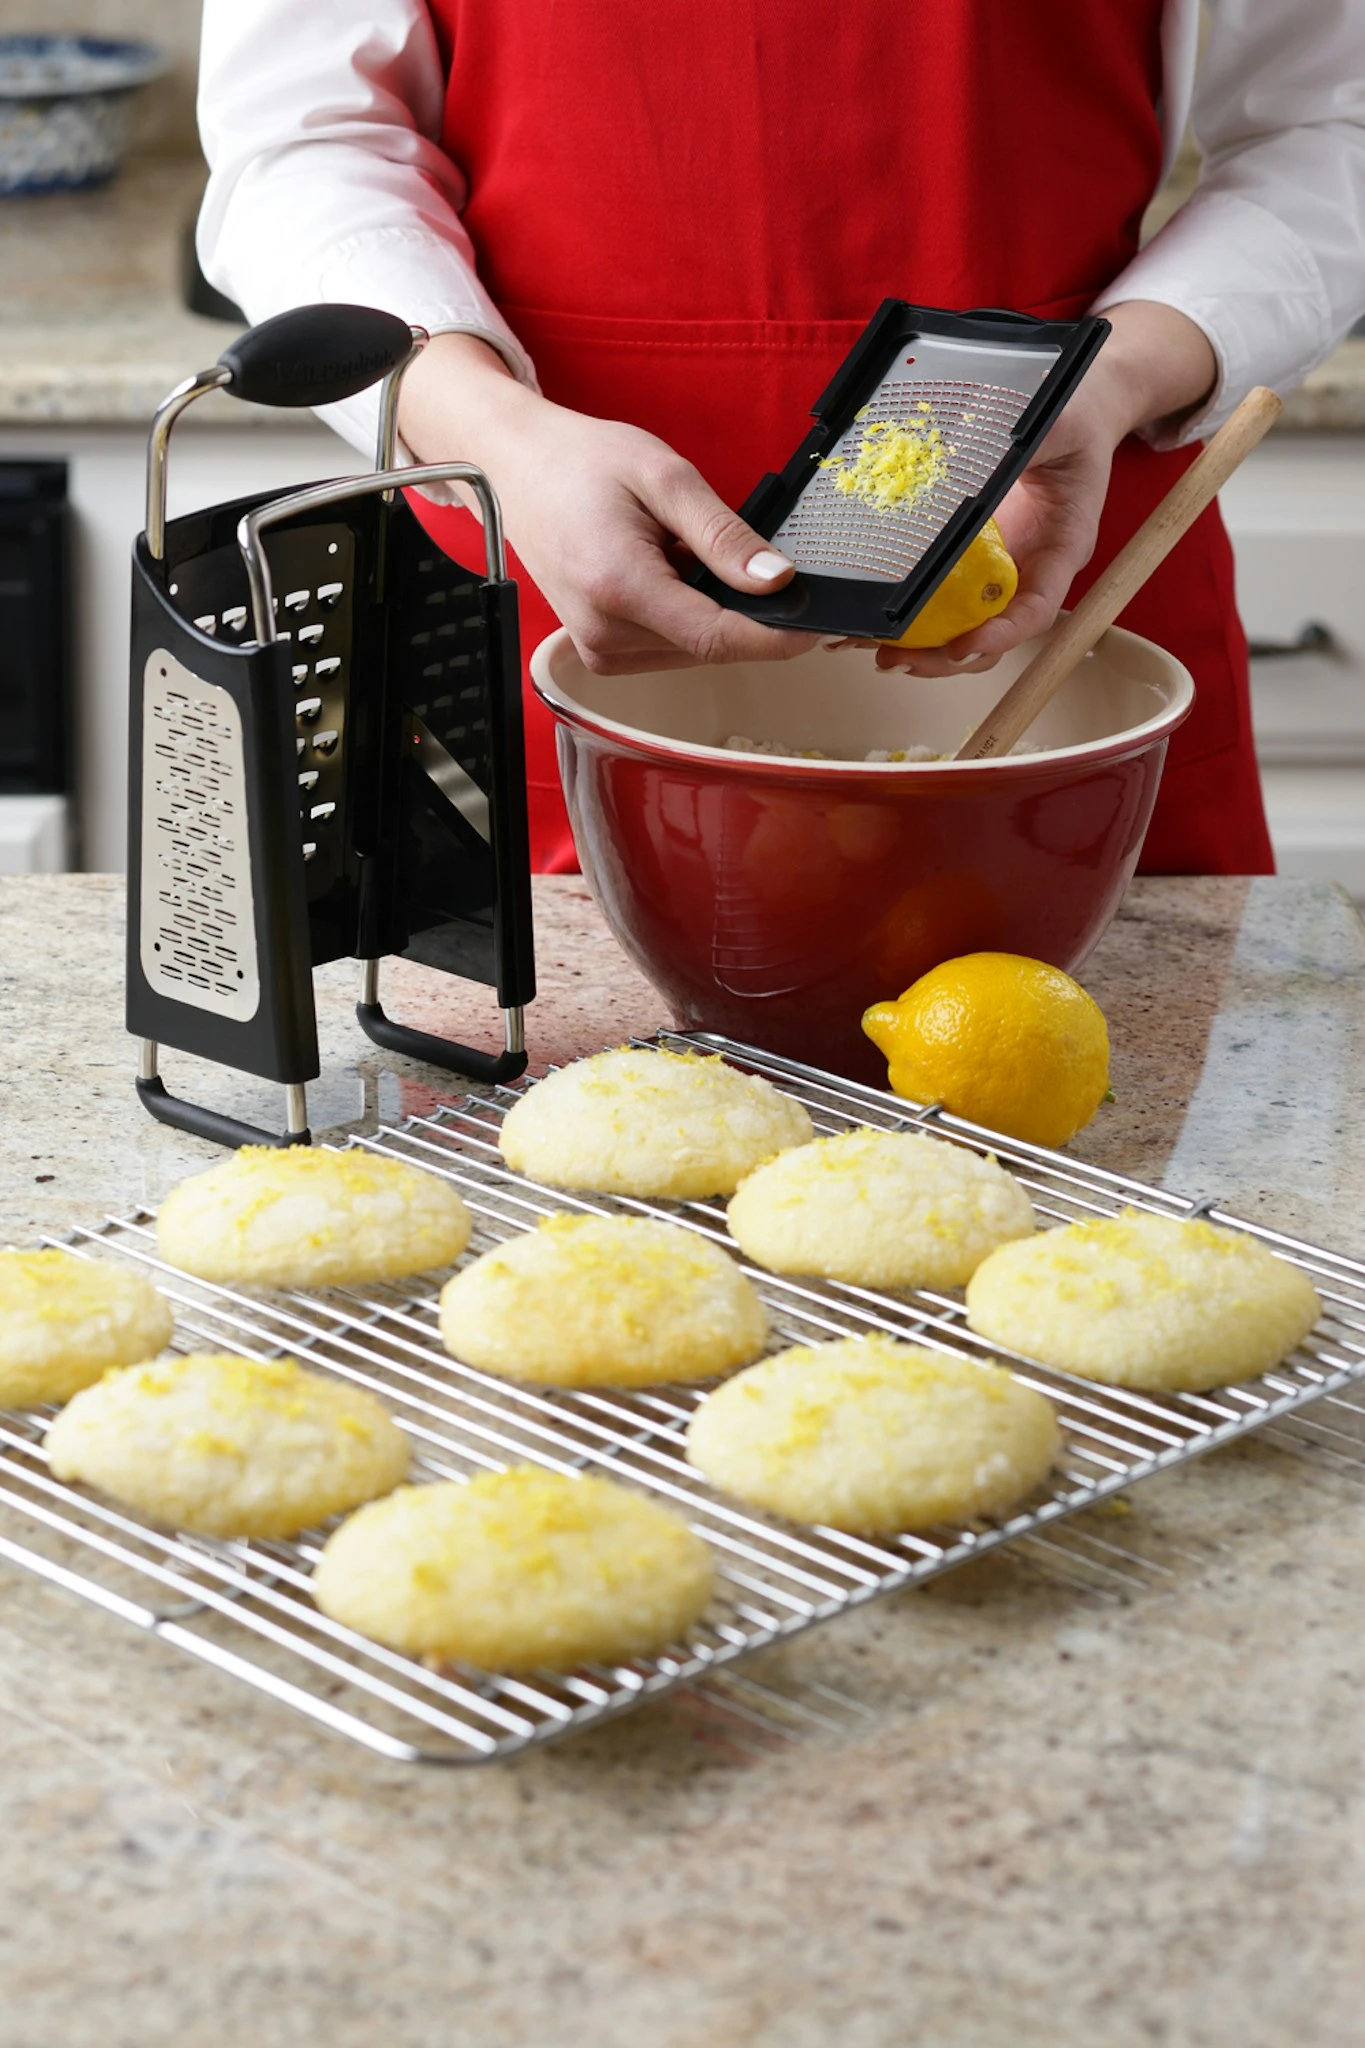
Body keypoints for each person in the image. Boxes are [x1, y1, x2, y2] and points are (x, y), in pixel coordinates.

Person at [197, 1, 1365, 875]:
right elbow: (302, 141)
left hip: (1051, 547)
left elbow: (1329, 124)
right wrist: (497, 437)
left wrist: (1115, 381)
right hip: (533, 556)